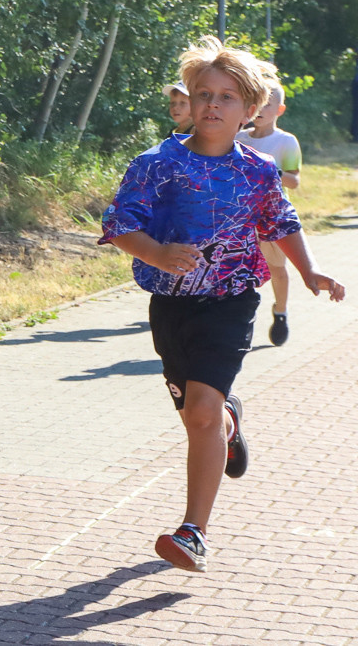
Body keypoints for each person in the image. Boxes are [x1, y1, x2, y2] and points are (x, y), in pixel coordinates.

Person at [99, 36, 344, 573]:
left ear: (250, 110)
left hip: (231, 303)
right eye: (204, 93)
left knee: (201, 412)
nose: (213, 103)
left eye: (227, 96)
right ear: (189, 99)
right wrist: (158, 253)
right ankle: (228, 421)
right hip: (170, 306)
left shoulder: (258, 171)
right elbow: (119, 224)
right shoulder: (156, 163)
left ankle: (193, 532)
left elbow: (282, 223)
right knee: (198, 416)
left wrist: (309, 271)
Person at [235, 78, 302, 346]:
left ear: (280, 110)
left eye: (267, 104)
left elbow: (295, 181)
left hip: (272, 216)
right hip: (240, 215)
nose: (260, 109)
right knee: (239, 268)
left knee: (277, 268)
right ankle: (241, 320)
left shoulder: (286, 142)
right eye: (256, 102)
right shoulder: (239, 137)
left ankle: (281, 312)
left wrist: (269, 170)